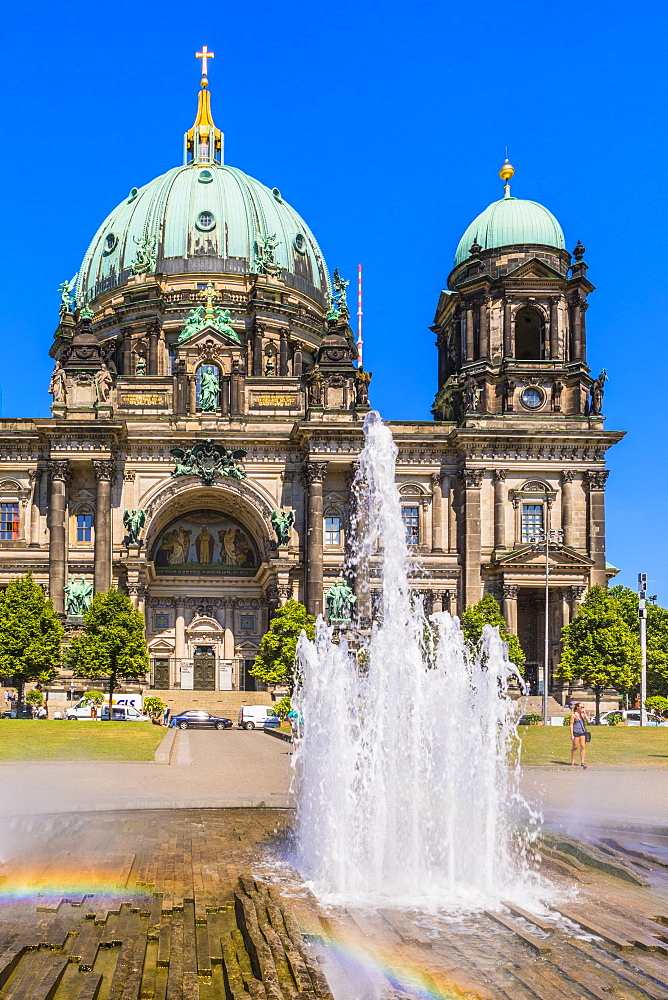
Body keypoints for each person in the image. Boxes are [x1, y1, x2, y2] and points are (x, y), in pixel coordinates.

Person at [570, 702, 591, 768]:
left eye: (583, 707)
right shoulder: (573, 715)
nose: (582, 708)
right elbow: (571, 725)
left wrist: (585, 714)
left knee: (583, 746)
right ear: (577, 708)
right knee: (575, 747)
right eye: (581, 707)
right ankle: (573, 761)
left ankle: (582, 762)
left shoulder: (583, 715)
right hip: (576, 733)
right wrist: (572, 735)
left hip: (582, 733)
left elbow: (589, 721)